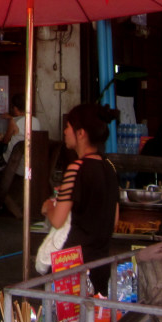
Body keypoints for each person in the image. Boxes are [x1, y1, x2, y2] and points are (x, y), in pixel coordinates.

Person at [41, 103, 120, 296]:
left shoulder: (76, 169)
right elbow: (115, 222)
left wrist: (48, 207)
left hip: (72, 263)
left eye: (68, 127)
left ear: (81, 133)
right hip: (101, 262)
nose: (65, 132)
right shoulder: (109, 167)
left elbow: (57, 219)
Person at [0, 94, 43, 217]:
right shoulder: (35, 120)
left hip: (14, 165)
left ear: (15, 108)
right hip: (30, 165)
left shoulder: (13, 122)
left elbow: (5, 140)